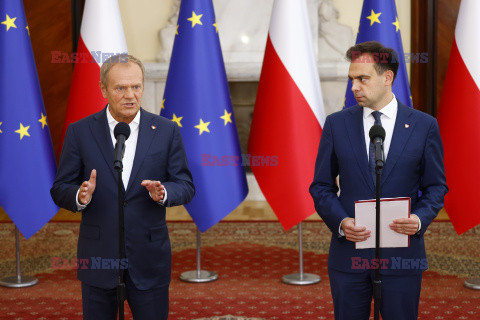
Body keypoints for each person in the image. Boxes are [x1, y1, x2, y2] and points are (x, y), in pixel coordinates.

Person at [309, 41, 447, 320]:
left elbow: (435, 187)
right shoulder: (336, 124)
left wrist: (419, 219)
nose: (354, 87)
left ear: (387, 78)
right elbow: (321, 186)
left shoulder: (424, 125)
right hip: (349, 255)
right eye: (351, 79)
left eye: (362, 78)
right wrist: (341, 222)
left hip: (402, 257)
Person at [51, 54, 195, 319]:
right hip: (99, 258)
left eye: (136, 87)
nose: (130, 95)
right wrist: (80, 196)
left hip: (149, 257)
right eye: (121, 88)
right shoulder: (80, 132)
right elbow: (60, 188)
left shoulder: (165, 130)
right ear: (103, 90)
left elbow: (185, 184)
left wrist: (163, 193)